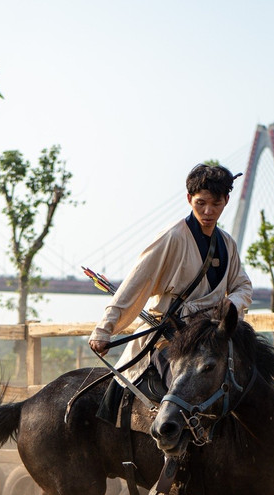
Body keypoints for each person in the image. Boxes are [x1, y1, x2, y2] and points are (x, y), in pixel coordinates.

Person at [90, 163, 253, 414]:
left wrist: (233, 303)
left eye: (216, 204)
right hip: (170, 338)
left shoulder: (227, 243)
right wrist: (105, 328)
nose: (208, 211)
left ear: (227, 201)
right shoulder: (173, 237)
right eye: (201, 203)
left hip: (209, 338)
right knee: (180, 405)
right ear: (189, 199)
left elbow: (242, 285)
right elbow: (134, 283)